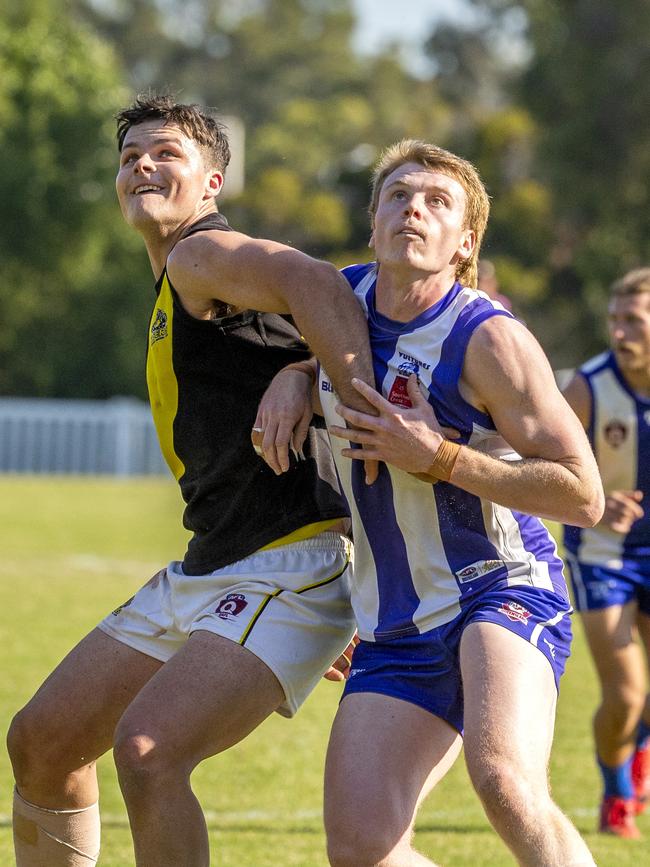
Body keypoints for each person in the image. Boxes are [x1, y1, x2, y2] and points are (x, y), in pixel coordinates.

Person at [6, 93, 377, 867]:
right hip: (212, 564)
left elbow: (319, 281)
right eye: (130, 155)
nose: (142, 162)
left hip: (288, 564)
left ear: (212, 182)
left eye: (166, 152)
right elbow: (312, 305)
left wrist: (348, 395)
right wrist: (301, 372)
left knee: (146, 752)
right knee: (44, 743)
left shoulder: (197, 255)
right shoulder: (184, 278)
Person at [256, 139, 604, 866]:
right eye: (398, 195)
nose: (414, 207)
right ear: (374, 219)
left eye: (437, 201)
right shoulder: (332, 301)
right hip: (393, 618)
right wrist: (295, 372)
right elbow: (338, 350)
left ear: (465, 241)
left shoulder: (489, 339)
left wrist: (440, 457)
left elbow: (582, 491)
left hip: (499, 588)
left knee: (505, 780)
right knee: (361, 849)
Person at [563, 268, 650, 838]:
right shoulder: (588, 388)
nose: (620, 332)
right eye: (615, 320)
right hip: (603, 554)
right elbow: (551, 468)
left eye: (634, 322)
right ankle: (616, 790)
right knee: (626, 692)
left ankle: (638, 747)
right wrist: (600, 498)